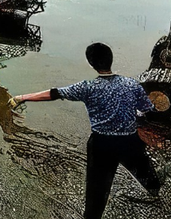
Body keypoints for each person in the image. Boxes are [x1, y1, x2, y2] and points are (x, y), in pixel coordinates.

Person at [8, 42, 161, 219]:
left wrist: (22, 98)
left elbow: (54, 93)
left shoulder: (87, 87)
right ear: (111, 60)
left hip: (102, 145)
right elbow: (146, 108)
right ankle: (157, 198)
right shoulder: (131, 84)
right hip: (130, 141)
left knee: (97, 193)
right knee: (148, 177)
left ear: (92, 64)